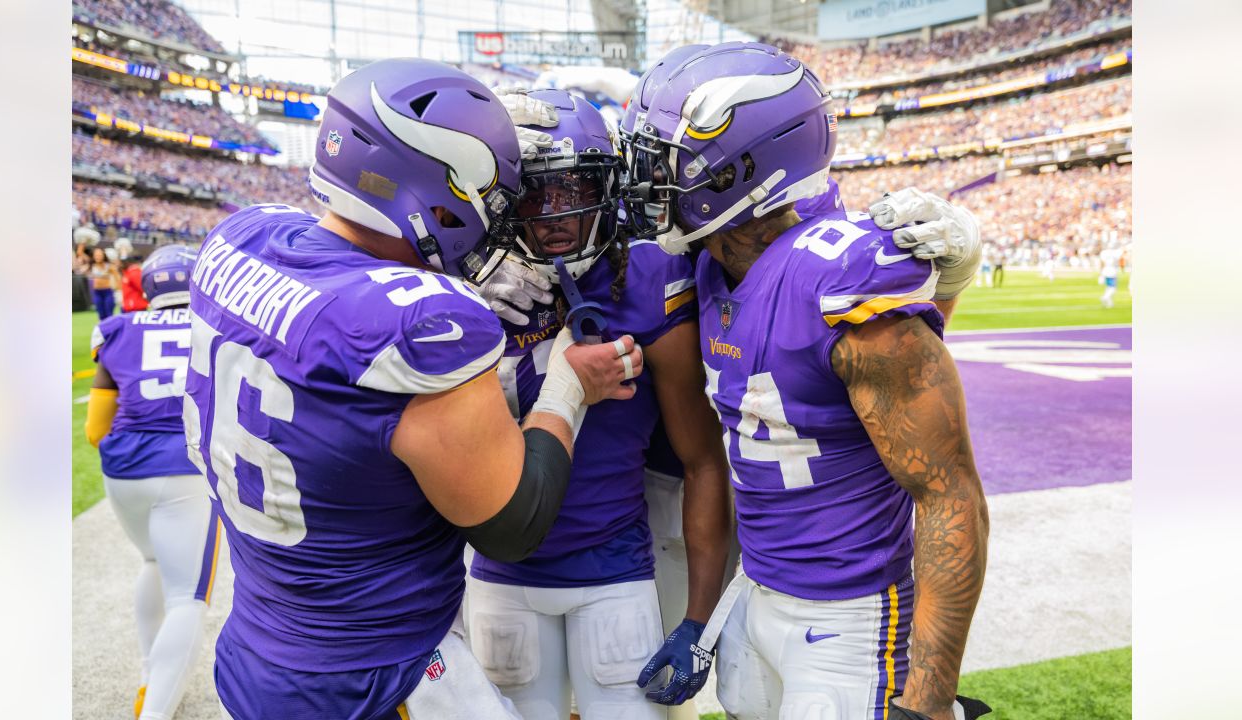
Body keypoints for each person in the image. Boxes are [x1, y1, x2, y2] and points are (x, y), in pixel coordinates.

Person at [183, 59, 644, 719]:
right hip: (374, 673)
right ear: (438, 189)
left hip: (256, 644)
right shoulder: (424, 324)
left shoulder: (241, 238)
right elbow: (514, 525)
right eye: (491, 190)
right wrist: (566, 388)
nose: (498, 215)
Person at [627, 42, 991, 720]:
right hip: (759, 596)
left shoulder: (842, 281)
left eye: (661, 167)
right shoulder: (709, 266)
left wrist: (929, 701)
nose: (644, 186)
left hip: (849, 619)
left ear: (737, 172)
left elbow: (949, 498)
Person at [464, 88, 732, 720]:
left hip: (615, 569)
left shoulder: (647, 276)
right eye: (533, 193)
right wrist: (460, 293)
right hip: (500, 569)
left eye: (572, 189)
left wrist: (698, 618)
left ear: (607, 187)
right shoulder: (461, 283)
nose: (553, 214)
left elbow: (701, 460)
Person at [85, 244, 214, 720]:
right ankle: (154, 711)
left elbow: (95, 430)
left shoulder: (117, 329)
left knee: (153, 561)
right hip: (185, 471)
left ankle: (148, 674)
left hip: (123, 474)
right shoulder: (214, 328)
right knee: (188, 598)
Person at [88, 246, 120, 321]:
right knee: (101, 314)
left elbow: (117, 277)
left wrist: (118, 290)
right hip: (97, 292)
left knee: (109, 313)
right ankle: (103, 331)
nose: (98, 257)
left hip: (107, 291)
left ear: (103, 255)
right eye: (96, 255)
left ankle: (111, 331)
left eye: (99, 255)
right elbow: (80, 255)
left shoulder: (109, 266)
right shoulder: (92, 266)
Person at [1099, 242, 1121, 308]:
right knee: (1113, 288)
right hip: (1112, 271)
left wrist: (1101, 273)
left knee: (1108, 287)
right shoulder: (1116, 253)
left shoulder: (1104, 253)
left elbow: (1102, 263)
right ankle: (1105, 297)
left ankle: (1110, 303)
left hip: (1105, 270)